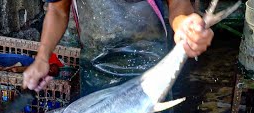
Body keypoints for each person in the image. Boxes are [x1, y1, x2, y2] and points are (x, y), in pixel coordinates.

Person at [23, 0, 214, 93]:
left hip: (154, 78)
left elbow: (179, 4)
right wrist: (42, 58)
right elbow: (57, 9)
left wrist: (185, 26)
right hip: (96, 76)